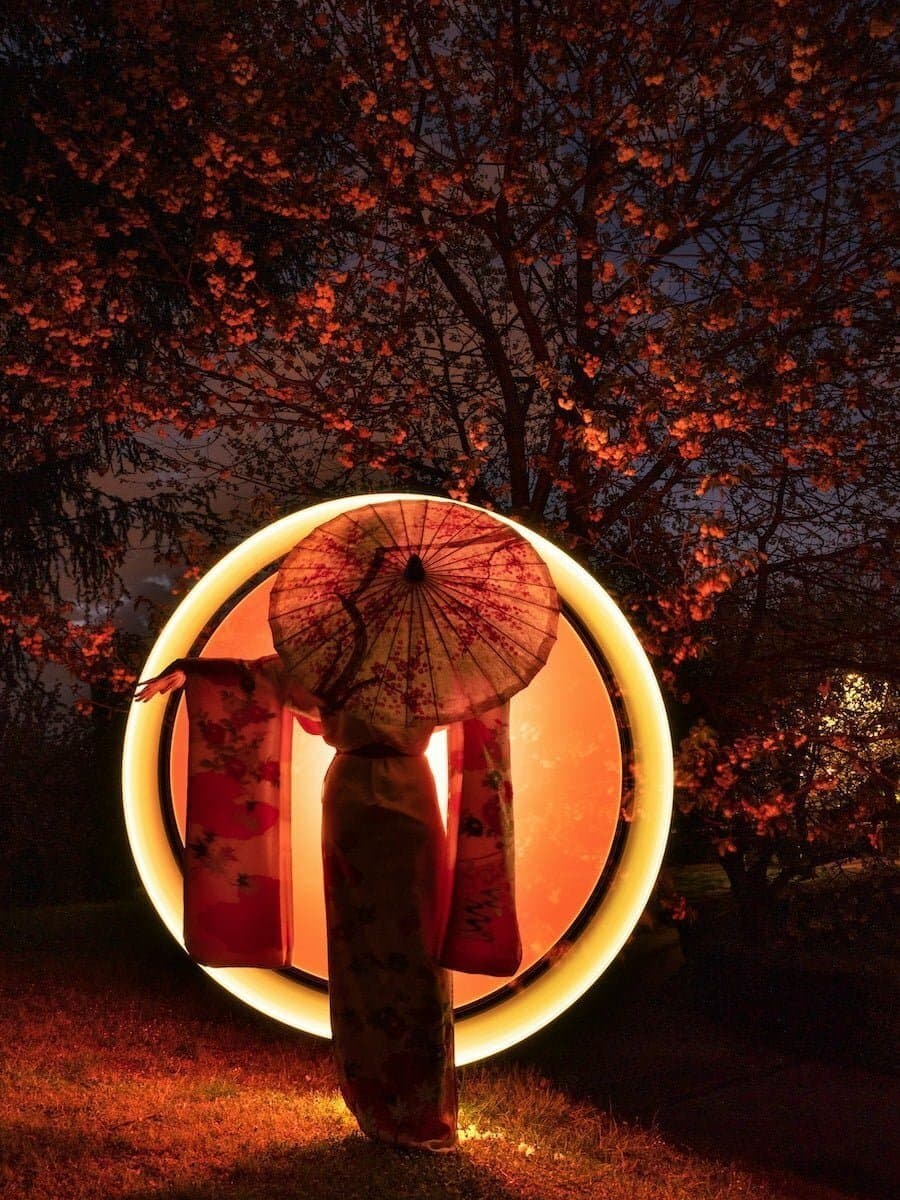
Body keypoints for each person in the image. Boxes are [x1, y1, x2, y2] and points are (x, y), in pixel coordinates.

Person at [135, 654, 520, 1152]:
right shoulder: (423, 650)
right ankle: (405, 1103)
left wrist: (197, 671)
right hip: (392, 791)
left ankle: (405, 1103)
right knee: (377, 944)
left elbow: (264, 678)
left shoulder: (341, 646)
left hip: (366, 792)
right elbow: (486, 681)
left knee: (391, 944)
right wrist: (195, 670)